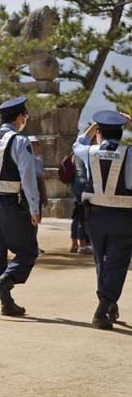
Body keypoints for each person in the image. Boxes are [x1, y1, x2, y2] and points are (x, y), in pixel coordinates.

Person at [0, 96, 41, 317]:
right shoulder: (20, 142)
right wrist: (34, 208)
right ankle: (3, 283)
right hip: (11, 203)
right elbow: (28, 178)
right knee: (28, 250)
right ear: (20, 117)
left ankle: (7, 303)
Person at [72, 110, 132, 329]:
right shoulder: (129, 152)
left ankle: (108, 303)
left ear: (99, 133)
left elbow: (76, 145)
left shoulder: (90, 152)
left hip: (94, 217)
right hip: (122, 217)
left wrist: (91, 127)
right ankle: (102, 308)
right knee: (117, 263)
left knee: (102, 262)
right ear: (121, 131)